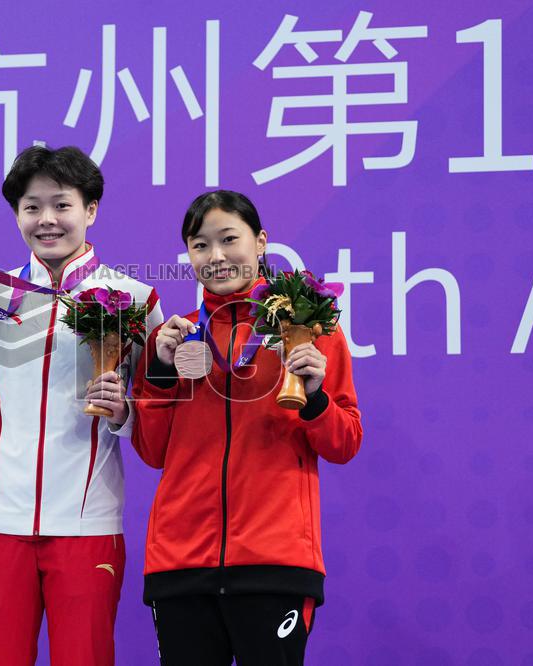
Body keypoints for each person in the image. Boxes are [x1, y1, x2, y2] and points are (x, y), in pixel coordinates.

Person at [0, 145, 164, 666]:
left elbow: (159, 417)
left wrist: (125, 413)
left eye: (61, 205)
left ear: (91, 209)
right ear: (17, 214)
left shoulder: (135, 300)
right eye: (32, 207)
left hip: (87, 524)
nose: (46, 220)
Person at [131, 190, 362, 665]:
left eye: (228, 239)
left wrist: (315, 397)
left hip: (274, 563)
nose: (215, 256)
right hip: (181, 563)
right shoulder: (172, 339)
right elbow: (153, 452)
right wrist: (159, 370)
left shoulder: (310, 329)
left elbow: (344, 443)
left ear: (260, 243)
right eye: (200, 245)